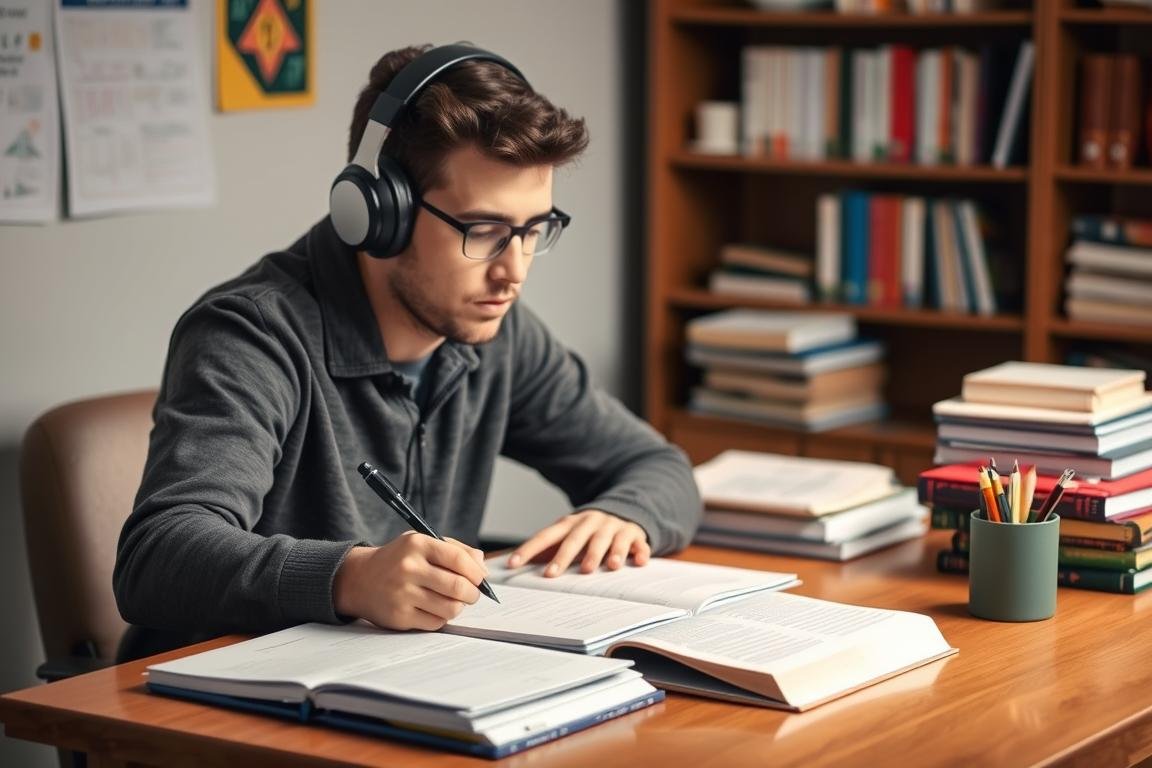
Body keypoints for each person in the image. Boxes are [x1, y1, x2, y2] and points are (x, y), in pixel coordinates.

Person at [113, 43, 701, 660]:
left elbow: (661, 469)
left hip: (399, 683)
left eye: (533, 231)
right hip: (217, 710)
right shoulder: (252, 336)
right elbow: (158, 556)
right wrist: (349, 578)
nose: (514, 272)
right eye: (485, 232)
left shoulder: (498, 333)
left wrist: (624, 515)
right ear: (376, 213)